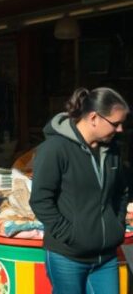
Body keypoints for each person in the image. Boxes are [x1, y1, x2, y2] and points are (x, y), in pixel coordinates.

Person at [31, 88, 130, 294]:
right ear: (94, 117)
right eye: (116, 123)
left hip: (106, 257)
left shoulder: (113, 150)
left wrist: (117, 224)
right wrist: (70, 235)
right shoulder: (55, 149)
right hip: (68, 256)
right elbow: (41, 200)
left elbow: (122, 191)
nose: (120, 129)